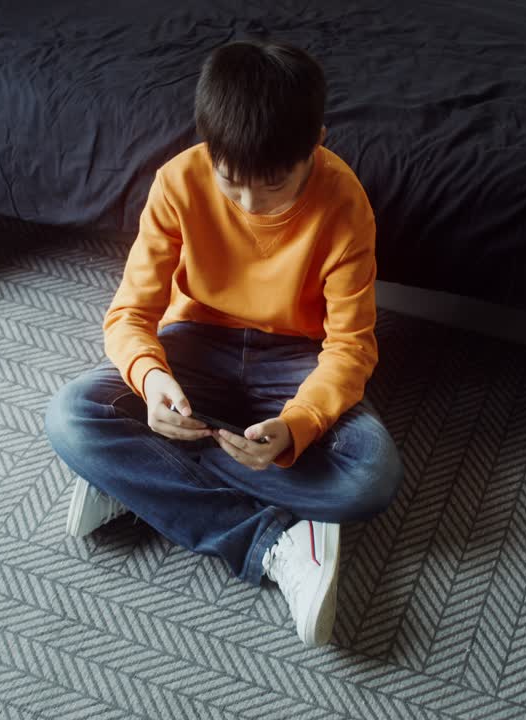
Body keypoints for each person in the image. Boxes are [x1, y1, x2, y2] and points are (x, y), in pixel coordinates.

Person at [44, 39, 404, 647]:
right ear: (209, 146)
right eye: (232, 184)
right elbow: (130, 314)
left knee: (370, 477)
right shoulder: (178, 182)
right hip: (196, 345)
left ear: (316, 140)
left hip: (294, 359)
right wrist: (154, 385)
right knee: (71, 417)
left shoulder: (344, 204)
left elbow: (350, 349)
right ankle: (272, 540)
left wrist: (295, 426)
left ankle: (136, 480)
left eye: (273, 187)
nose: (248, 204)